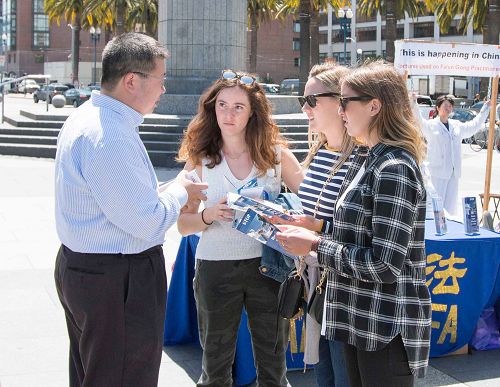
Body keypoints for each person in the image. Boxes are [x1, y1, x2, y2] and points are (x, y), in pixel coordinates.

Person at [53, 33, 207, 387]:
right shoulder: (110, 135)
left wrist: (170, 191)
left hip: (91, 270)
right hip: (117, 277)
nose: (164, 89)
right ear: (132, 81)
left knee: (95, 372)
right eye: (161, 79)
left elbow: (119, 199)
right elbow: (147, 222)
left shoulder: (90, 118)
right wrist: (181, 192)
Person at [276, 61, 431, 386]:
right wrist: (315, 226)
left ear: (374, 106)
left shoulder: (394, 168)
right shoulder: (370, 159)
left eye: (347, 101)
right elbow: (359, 237)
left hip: (383, 327)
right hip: (356, 319)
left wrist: (316, 243)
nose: (341, 110)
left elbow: (384, 264)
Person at [176, 69, 304, 387]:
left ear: (253, 113)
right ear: (211, 107)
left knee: (273, 364)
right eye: (222, 105)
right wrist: (209, 215)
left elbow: (312, 207)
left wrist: (276, 213)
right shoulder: (200, 160)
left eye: (238, 107)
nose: (228, 114)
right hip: (215, 270)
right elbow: (182, 225)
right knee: (215, 368)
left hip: (267, 267)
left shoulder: (276, 156)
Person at [269, 63, 366, 387]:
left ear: (340, 102)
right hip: (316, 281)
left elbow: (364, 229)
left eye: (312, 100)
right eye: (303, 99)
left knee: (342, 375)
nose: (304, 107)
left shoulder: (363, 156)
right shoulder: (321, 148)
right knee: (325, 374)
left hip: (344, 285)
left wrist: (316, 228)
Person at [414, 94, 490, 215]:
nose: (448, 108)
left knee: (450, 209)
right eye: (445, 106)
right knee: (435, 207)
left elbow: (473, 126)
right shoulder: (431, 125)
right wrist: (413, 103)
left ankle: (449, 231)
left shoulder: (456, 125)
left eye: (450, 106)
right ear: (438, 108)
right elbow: (417, 121)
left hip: (453, 173)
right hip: (437, 173)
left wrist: (485, 110)